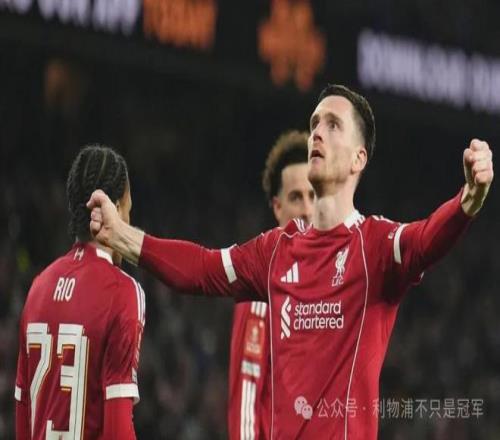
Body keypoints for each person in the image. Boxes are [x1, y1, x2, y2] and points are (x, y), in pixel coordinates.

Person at [87, 84, 493, 439]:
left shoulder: (376, 246)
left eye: (333, 125)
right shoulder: (275, 250)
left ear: (358, 159)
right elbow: (202, 269)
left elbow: (426, 239)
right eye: (315, 122)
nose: (317, 132)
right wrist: (121, 234)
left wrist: (469, 200)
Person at [15, 145, 145, 440]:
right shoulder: (123, 292)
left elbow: (23, 413)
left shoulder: (38, 287)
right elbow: (118, 430)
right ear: (114, 209)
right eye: (128, 211)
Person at [229, 131, 313, 440]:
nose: (307, 210)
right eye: (296, 197)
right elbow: (246, 401)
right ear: (277, 207)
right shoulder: (260, 286)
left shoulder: (329, 286)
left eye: (313, 196)